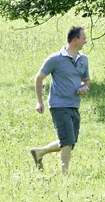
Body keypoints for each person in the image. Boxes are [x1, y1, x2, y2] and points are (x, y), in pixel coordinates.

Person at [30, 26, 91, 174]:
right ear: (75, 40)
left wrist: (85, 88)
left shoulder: (83, 59)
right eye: (83, 38)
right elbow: (39, 78)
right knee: (68, 141)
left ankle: (39, 153)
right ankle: (65, 176)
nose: (86, 41)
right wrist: (40, 101)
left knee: (69, 142)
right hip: (59, 105)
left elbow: (86, 80)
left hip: (74, 105)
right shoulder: (55, 59)